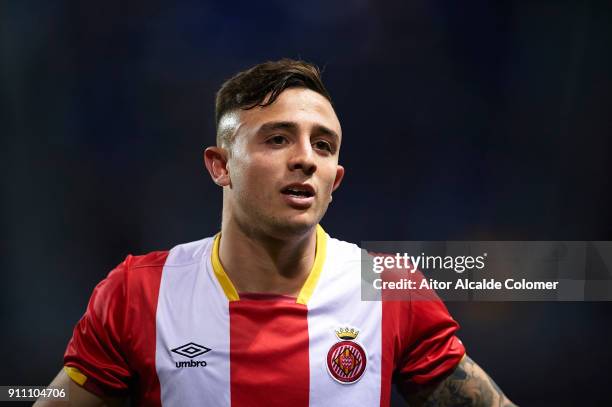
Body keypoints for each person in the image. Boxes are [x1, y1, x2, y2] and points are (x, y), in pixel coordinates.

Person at [36, 59, 516, 406]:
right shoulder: (138, 293)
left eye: (323, 145)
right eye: (278, 138)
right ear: (220, 166)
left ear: (336, 181)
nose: (306, 157)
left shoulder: (390, 291)